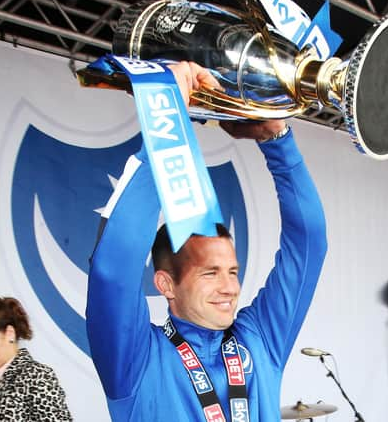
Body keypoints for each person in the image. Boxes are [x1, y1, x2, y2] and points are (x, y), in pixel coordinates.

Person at [87, 61, 328, 421]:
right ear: (166, 283)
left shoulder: (259, 338)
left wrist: (277, 140)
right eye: (210, 273)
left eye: (232, 271)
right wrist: (168, 123)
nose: (229, 287)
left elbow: (308, 242)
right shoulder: (136, 360)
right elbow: (113, 270)